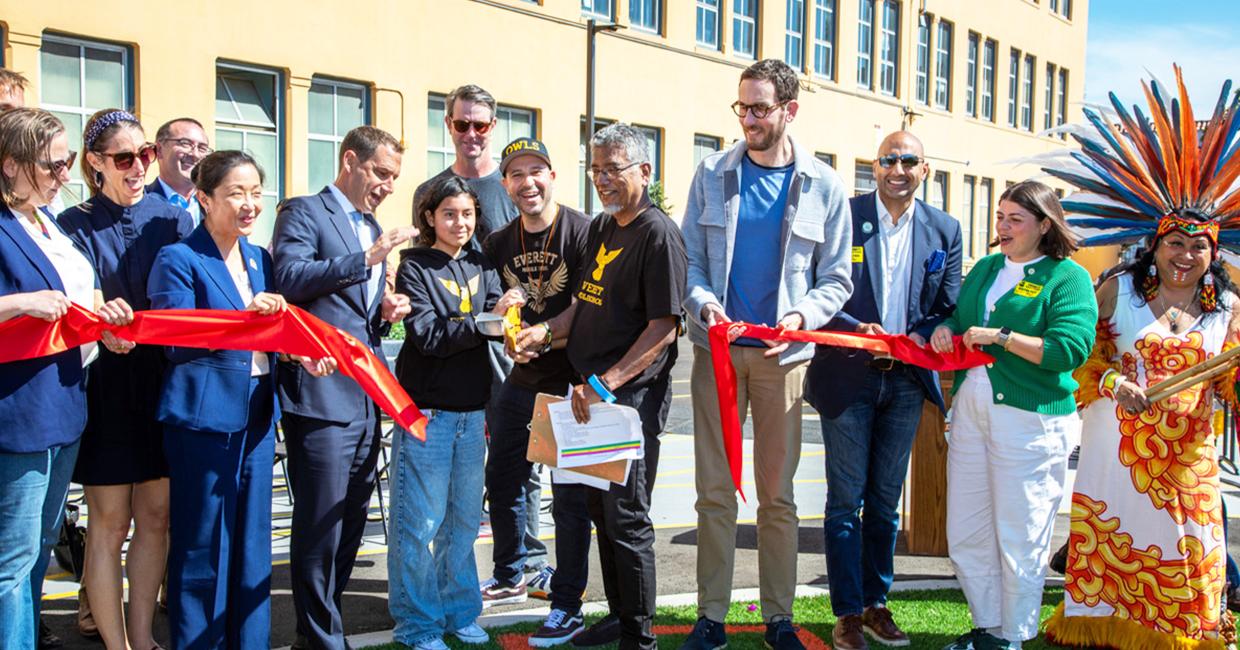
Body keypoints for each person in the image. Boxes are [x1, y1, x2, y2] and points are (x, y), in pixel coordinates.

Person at [1041, 72, 1240, 647]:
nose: (1186, 255)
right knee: (1116, 536)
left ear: (1213, 252)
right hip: (1115, 452)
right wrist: (1111, 382)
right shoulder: (1117, 291)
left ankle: (1185, 632)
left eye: (1199, 245)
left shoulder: (1227, 308)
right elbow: (1080, 358)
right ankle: (1102, 629)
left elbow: (1231, 384)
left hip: (1188, 459)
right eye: (1176, 242)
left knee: (1191, 547)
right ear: (1155, 244)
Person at [679, 58, 853, 650]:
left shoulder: (824, 185)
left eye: (759, 108)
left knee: (777, 497)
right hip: (717, 356)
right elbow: (691, 262)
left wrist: (802, 317)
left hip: (785, 360)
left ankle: (779, 616)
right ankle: (711, 617)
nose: (748, 119)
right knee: (714, 493)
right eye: (742, 107)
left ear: (789, 110)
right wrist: (705, 305)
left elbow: (836, 277)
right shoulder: (710, 174)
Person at [147, 150, 333, 648]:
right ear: (204, 199)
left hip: (256, 414)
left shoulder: (259, 258)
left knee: (252, 544)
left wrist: (298, 353)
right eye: (236, 193)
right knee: (204, 546)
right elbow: (176, 340)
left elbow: (267, 336)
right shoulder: (178, 259)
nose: (249, 204)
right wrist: (247, 317)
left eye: (255, 192)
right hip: (203, 420)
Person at [804, 131, 962, 649]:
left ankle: (876, 604)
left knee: (885, 503)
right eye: (889, 160)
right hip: (848, 373)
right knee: (845, 501)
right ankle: (848, 613)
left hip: (907, 381)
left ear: (925, 170)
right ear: (874, 166)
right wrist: (858, 330)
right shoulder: (843, 215)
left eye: (908, 160)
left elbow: (948, 304)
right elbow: (816, 288)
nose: (898, 169)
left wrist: (924, 332)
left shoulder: (945, 229)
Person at [929, 181, 1096, 649]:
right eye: (1000, 216)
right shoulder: (986, 268)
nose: (1002, 226)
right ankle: (987, 626)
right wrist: (945, 329)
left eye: (1015, 219)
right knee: (967, 528)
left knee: (1021, 533)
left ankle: (1013, 635)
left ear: (1044, 225)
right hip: (971, 410)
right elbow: (960, 321)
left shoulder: (1067, 277)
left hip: (1031, 420)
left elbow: (1069, 350)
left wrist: (1002, 338)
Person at [542, 123, 686, 650]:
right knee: (601, 512)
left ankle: (639, 637)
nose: (602, 179)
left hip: (626, 400)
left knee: (626, 518)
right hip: (591, 396)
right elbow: (583, 303)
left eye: (613, 169)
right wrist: (544, 332)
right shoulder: (604, 226)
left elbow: (664, 327)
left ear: (644, 171)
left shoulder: (658, 235)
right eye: (595, 169)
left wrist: (605, 384)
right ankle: (621, 616)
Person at [272, 125, 415, 650]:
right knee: (320, 523)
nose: (388, 186)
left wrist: (385, 308)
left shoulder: (368, 224)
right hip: (318, 394)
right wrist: (367, 260)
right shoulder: (304, 212)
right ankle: (320, 638)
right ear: (350, 161)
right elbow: (289, 279)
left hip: (364, 395)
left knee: (351, 519)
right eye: (381, 173)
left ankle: (321, 631)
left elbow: (352, 310)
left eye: (394, 178)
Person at [58, 109, 194, 650]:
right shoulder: (72, 224)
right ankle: (116, 646)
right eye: (124, 158)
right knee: (109, 524)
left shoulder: (174, 219)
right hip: (105, 387)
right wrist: (99, 323)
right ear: (95, 162)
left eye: (145, 155)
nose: (138, 167)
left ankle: (143, 636)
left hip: (161, 383)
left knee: (156, 518)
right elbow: (71, 300)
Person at [0, 107, 133, 650]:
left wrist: (105, 324)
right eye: (50, 164)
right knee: (12, 562)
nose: (63, 174)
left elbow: (78, 298)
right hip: (19, 412)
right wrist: (22, 302)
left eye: (66, 162)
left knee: (38, 550)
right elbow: (35, 304)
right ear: (10, 165)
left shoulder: (46, 221)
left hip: (65, 404)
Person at [388, 174, 524, 650]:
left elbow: (494, 321)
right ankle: (417, 625)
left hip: (472, 413)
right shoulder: (414, 267)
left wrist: (502, 314)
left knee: (463, 524)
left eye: (467, 214)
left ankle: (460, 612)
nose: (459, 223)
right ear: (429, 217)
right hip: (426, 414)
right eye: (449, 214)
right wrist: (485, 321)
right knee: (419, 526)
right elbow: (428, 335)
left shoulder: (482, 264)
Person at [480, 137, 593, 644]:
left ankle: (568, 602)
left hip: (571, 384)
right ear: (505, 184)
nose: (527, 183)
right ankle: (511, 573)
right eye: (516, 175)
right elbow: (490, 307)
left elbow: (592, 309)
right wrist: (505, 328)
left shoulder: (583, 232)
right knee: (502, 478)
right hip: (523, 379)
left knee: (570, 498)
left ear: (552, 176)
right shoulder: (498, 242)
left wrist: (546, 335)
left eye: (536, 171)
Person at [412, 84, 517, 246]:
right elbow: (421, 256)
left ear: (492, 126)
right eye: (462, 125)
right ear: (449, 124)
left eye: (480, 126)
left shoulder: (515, 188)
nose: (471, 134)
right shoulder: (426, 193)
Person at [147, 118, 211, 224]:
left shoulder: (215, 205)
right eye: (185, 144)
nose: (195, 154)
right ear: (159, 150)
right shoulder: (138, 203)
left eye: (202, 148)